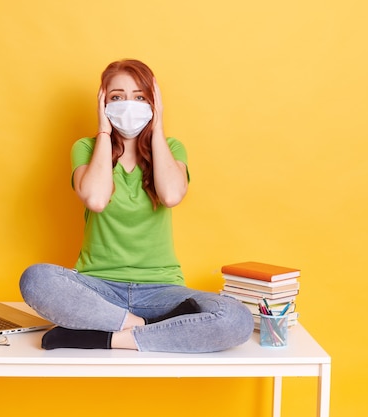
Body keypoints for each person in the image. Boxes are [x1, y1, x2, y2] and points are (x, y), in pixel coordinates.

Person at [19, 59, 253, 353]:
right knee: (36, 279)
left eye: (139, 97)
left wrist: (157, 128)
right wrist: (104, 132)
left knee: (236, 318)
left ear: (153, 102)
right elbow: (96, 199)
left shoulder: (171, 148)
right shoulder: (87, 148)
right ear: (103, 102)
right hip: (98, 288)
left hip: (163, 290)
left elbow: (170, 195)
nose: (128, 105)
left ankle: (104, 338)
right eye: (117, 97)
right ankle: (144, 326)